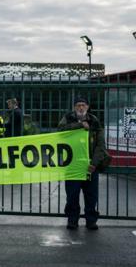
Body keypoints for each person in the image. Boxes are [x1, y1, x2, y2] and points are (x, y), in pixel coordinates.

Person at [58, 97, 107, 230]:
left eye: (83, 105)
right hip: (72, 165)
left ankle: (91, 220)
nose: (80, 108)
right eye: (78, 105)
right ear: (74, 107)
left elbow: (100, 145)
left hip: (90, 166)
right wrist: (79, 125)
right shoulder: (68, 118)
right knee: (72, 195)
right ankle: (72, 220)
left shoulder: (94, 120)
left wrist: (94, 163)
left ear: (87, 107)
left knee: (91, 195)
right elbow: (60, 132)